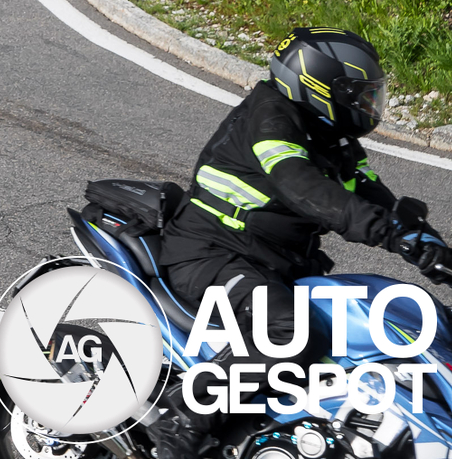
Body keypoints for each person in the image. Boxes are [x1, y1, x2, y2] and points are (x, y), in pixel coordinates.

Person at [146, 28, 452, 459]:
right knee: (290, 335)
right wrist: (387, 233)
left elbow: (367, 192)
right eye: (359, 95)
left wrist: (427, 245)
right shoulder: (271, 117)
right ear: (318, 86)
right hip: (212, 253)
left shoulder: (330, 136)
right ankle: (184, 425)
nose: (368, 105)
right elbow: (301, 185)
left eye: (371, 95)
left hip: (273, 262)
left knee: (400, 316)